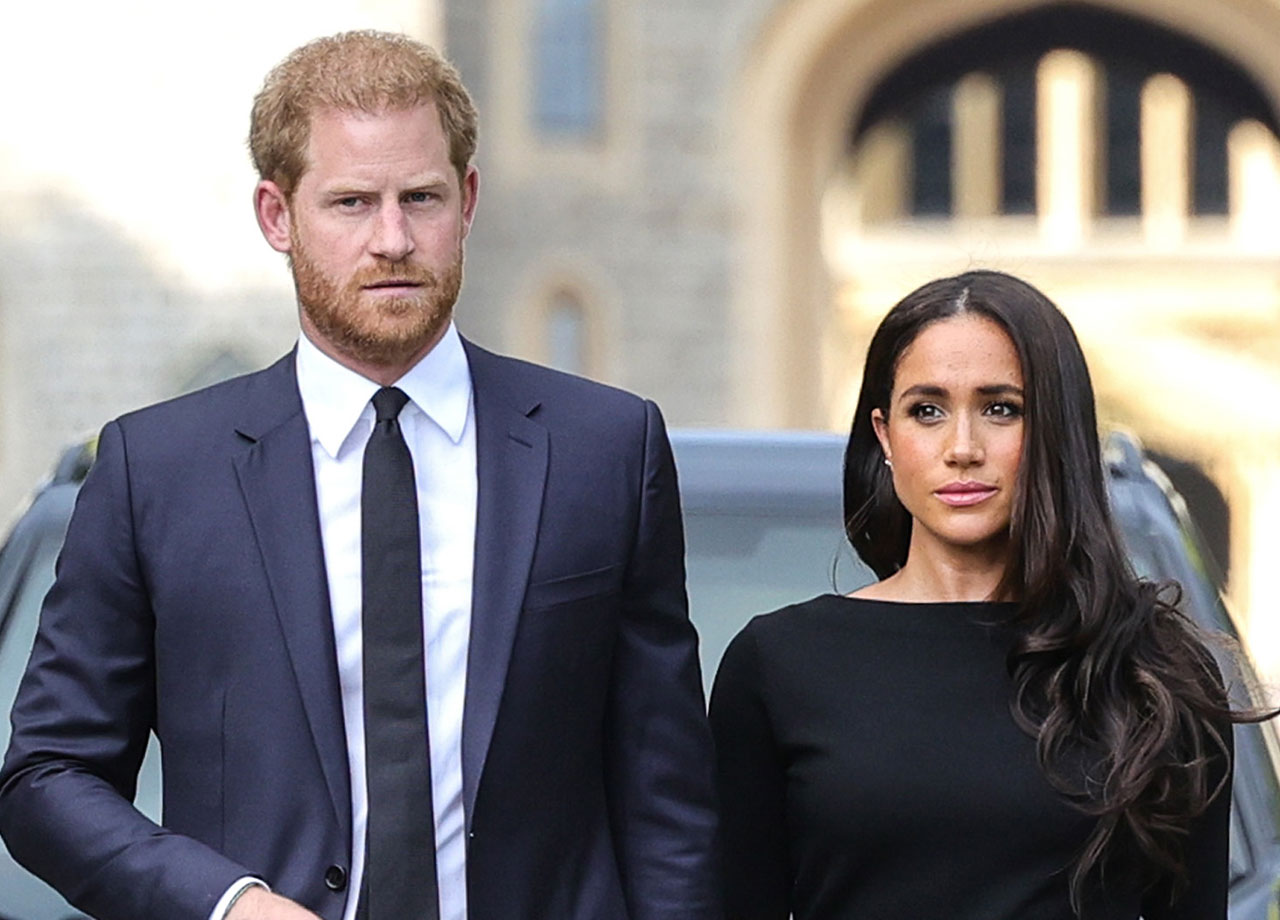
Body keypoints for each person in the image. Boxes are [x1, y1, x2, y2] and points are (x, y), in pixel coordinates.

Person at [0, 30, 720, 920]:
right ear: (277, 215)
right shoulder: (157, 473)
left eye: (420, 198)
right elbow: (48, 774)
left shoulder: (604, 449)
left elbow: (668, 799)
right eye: (350, 202)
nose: (392, 239)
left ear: (468, 200)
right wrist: (224, 904)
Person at [710, 270, 1238, 919]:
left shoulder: (1154, 670)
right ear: (884, 434)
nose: (962, 449)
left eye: (1000, 408)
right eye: (926, 410)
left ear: (1054, 429)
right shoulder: (778, 664)